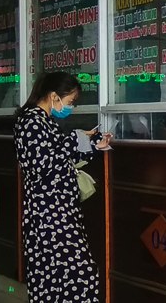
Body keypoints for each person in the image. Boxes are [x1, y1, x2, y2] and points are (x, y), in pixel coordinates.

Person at [14, 72, 112, 303]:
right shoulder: (31, 122)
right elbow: (42, 163)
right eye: (70, 101)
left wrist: (92, 143)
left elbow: (58, 153)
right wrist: (76, 139)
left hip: (58, 211)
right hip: (50, 214)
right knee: (81, 273)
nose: (70, 107)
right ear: (54, 96)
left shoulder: (44, 120)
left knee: (53, 276)